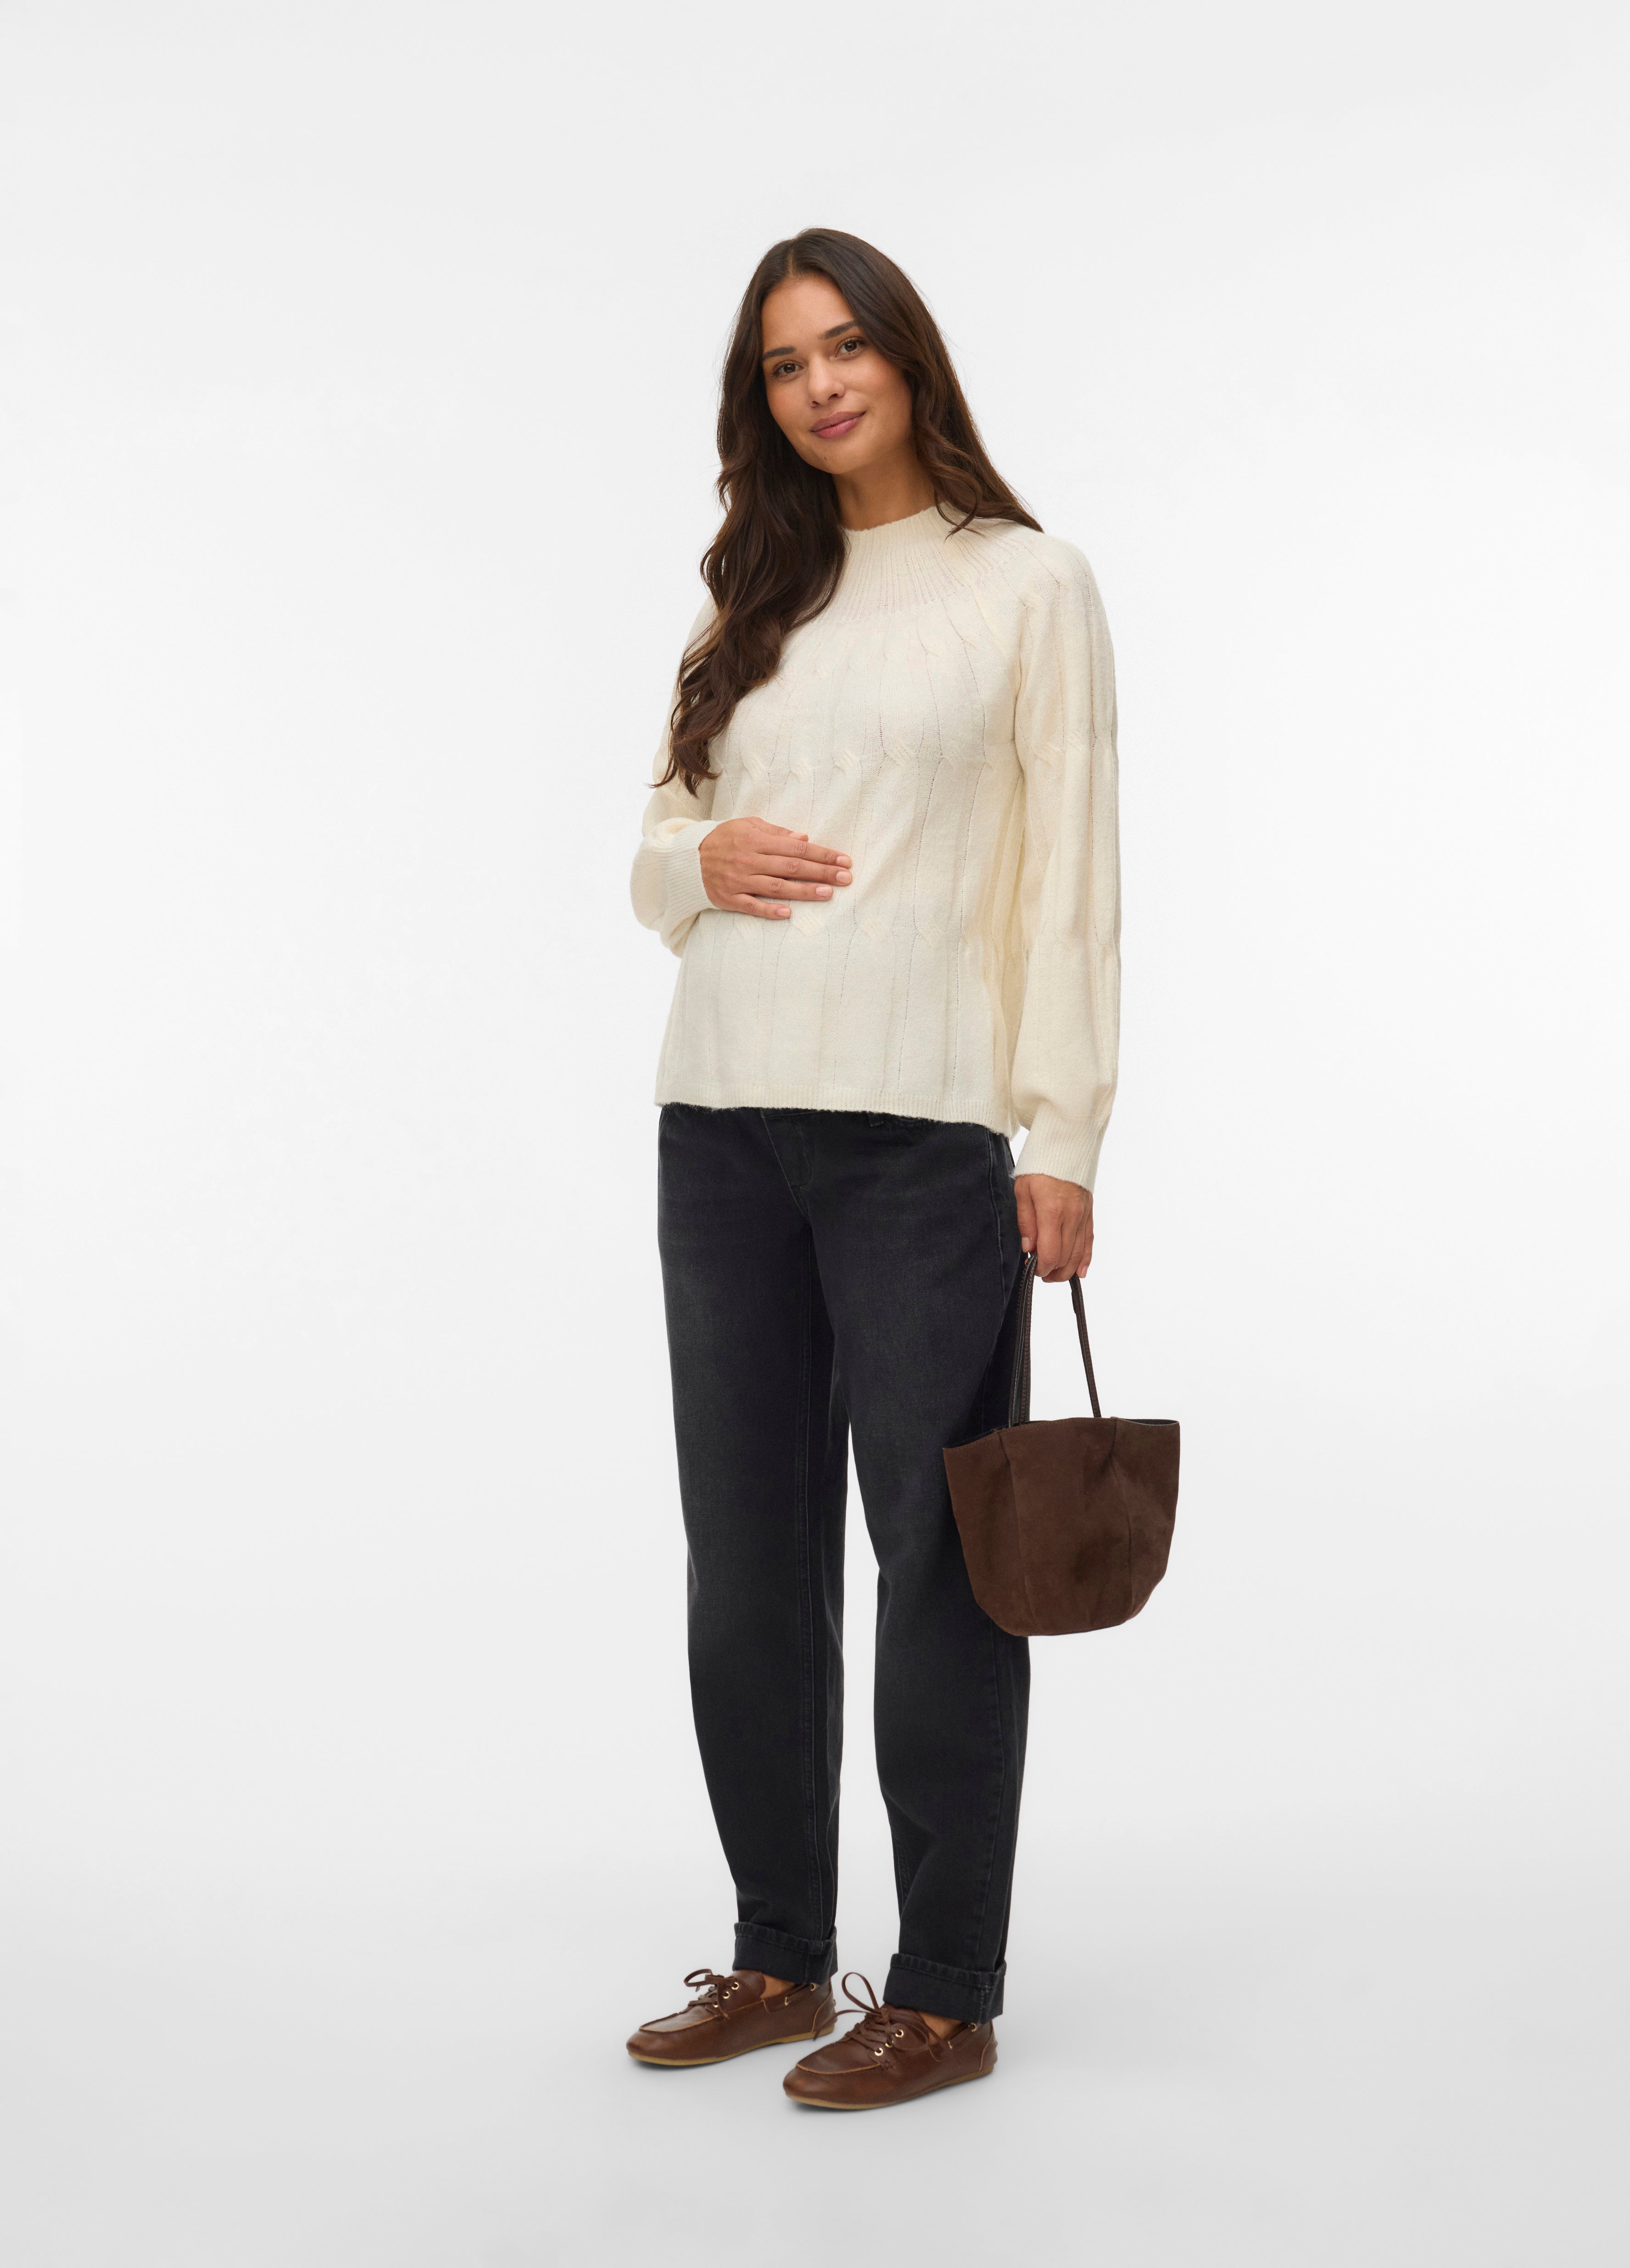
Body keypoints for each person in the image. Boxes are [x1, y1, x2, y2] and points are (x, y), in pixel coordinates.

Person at [625, 228, 1120, 2111]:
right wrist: (695, 866)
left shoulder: (1026, 582)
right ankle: (776, 1956)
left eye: (847, 348)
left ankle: (942, 1989)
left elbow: (1073, 875)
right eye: (783, 365)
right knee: (747, 1559)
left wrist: (1060, 1132)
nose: (820, 386)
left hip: (925, 1132)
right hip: (722, 1120)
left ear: (909, 359)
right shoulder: (749, 600)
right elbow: (656, 848)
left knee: (941, 1557)